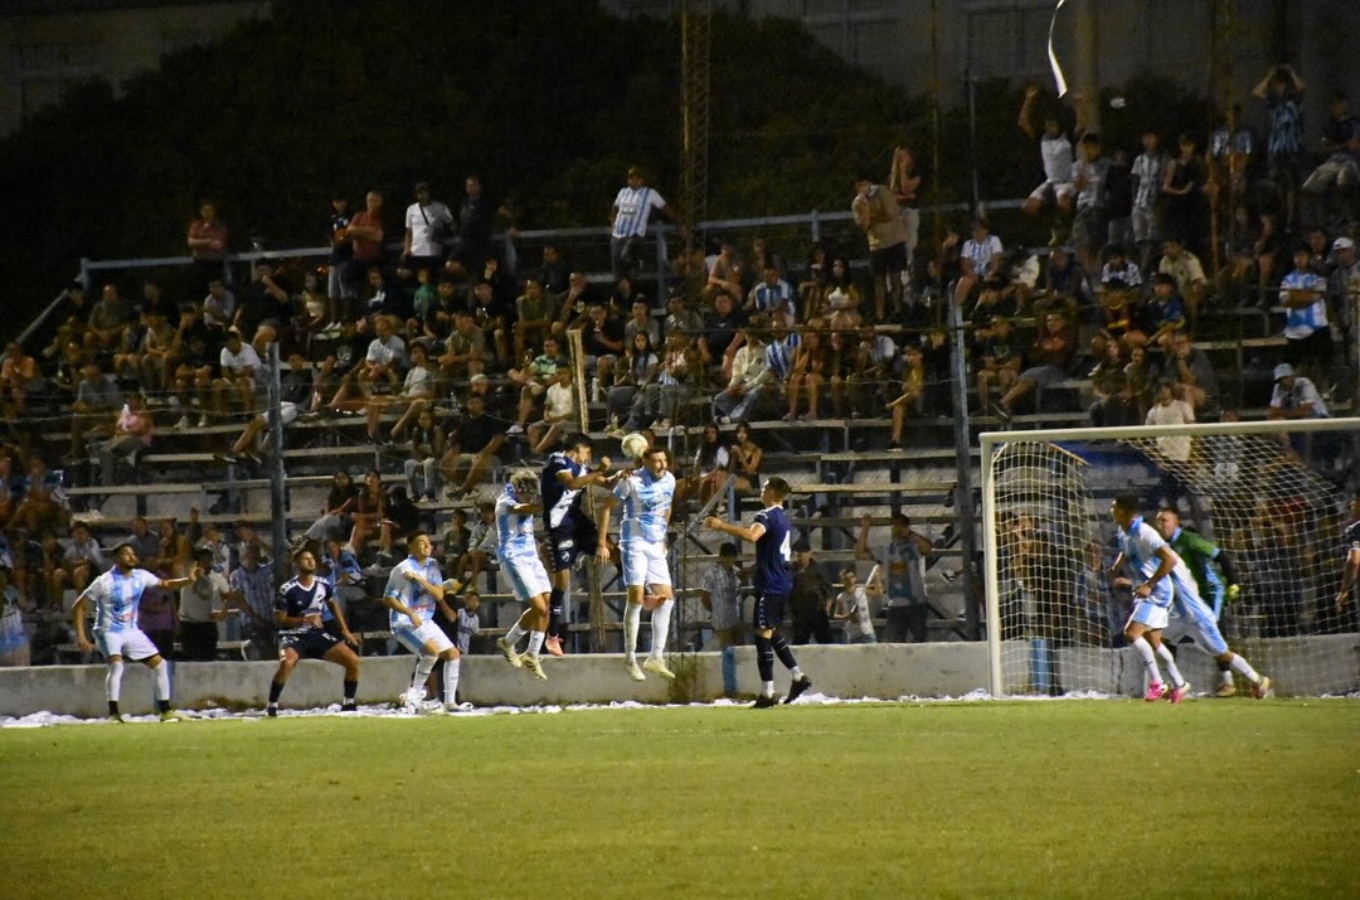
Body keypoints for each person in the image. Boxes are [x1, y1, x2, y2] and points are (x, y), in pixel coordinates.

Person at [705, 476, 812, 707]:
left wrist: (722, 525)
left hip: (770, 585)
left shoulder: (765, 515)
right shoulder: (783, 518)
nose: (761, 491)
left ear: (772, 492)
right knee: (771, 633)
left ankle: (767, 693)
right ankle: (798, 677)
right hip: (781, 581)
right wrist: (753, 570)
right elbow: (773, 553)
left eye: (764, 488)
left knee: (762, 637)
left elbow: (753, 535)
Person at [71, 542, 201, 721]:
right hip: (108, 631)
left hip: (131, 630)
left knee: (160, 664)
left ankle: (165, 710)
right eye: (126, 554)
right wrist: (81, 636)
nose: (132, 557)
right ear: (116, 558)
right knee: (117, 665)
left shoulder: (141, 576)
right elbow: (79, 606)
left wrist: (188, 580)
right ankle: (113, 714)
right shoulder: (104, 581)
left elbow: (165, 583)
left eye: (133, 553)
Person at [1154, 509, 1271, 699]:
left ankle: (1246, 680)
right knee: (1163, 638)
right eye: (1158, 522)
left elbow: (1220, 555)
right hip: (1189, 600)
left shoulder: (1189, 540)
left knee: (1217, 644)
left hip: (1210, 593)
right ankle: (1171, 684)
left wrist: (1233, 581)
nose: (1160, 525)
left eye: (1164, 520)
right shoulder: (1166, 546)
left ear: (1176, 522)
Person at [539, 434, 616, 657]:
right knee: (563, 580)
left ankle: (643, 596)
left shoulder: (584, 468)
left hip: (577, 522)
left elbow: (606, 482)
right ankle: (553, 636)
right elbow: (571, 482)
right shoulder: (557, 462)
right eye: (587, 453)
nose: (588, 457)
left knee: (612, 550)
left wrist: (621, 474)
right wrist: (598, 471)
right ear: (578, 448)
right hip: (558, 526)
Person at [267, 547, 362, 717]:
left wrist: (345, 630)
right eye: (305, 559)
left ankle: (349, 703)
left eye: (312, 558)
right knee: (287, 663)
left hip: (316, 634)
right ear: (297, 564)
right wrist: (304, 620)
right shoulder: (288, 589)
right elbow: (279, 620)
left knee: (353, 660)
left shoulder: (322, 584)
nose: (311, 561)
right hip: (293, 635)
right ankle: (272, 704)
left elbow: (333, 604)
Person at [1108, 494, 1184, 702]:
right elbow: (1125, 551)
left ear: (1124, 511)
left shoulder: (1145, 532)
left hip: (1157, 591)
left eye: (1114, 508)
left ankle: (1158, 683)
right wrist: (1115, 568)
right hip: (1144, 589)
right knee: (1154, 642)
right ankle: (1180, 684)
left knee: (1131, 634)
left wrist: (1149, 585)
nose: (1111, 511)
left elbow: (1170, 559)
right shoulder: (1124, 531)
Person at [613, 444, 678, 682]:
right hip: (634, 541)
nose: (662, 465)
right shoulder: (631, 480)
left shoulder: (670, 480)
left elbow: (667, 507)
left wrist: (662, 535)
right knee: (637, 599)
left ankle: (655, 657)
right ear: (645, 462)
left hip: (654, 542)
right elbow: (608, 507)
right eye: (657, 461)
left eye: (664, 460)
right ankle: (630, 658)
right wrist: (602, 541)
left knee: (667, 599)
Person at [382, 529, 465, 711]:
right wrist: (409, 612)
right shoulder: (402, 569)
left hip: (425, 620)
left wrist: (420, 579)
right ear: (410, 547)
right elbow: (388, 598)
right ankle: (414, 695)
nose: (428, 545)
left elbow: (438, 594)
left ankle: (449, 702)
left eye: (429, 542)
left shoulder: (432, 566)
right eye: (422, 542)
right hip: (404, 622)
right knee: (432, 652)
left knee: (453, 654)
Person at [491, 471, 552, 681]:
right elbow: (522, 509)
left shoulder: (525, 498)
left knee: (546, 605)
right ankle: (508, 643)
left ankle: (532, 654)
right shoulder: (504, 502)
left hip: (531, 556)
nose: (530, 498)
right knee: (539, 607)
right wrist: (550, 504)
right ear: (518, 490)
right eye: (527, 494)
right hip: (513, 557)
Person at [858, 513, 933, 643]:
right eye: (894, 525)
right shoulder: (886, 550)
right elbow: (860, 553)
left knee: (920, 642)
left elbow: (928, 548)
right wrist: (865, 528)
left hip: (916, 602)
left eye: (899, 524)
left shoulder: (913, 547)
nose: (896, 528)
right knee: (894, 644)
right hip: (895, 604)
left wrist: (910, 534)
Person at [852, 173, 908, 320]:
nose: (861, 188)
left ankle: (898, 310)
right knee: (879, 280)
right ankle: (880, 314)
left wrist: (871, 216)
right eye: (858, 185)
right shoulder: (857, 203)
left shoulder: (881, 191)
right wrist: (865, 210)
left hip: (894, 239)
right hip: (876, 245)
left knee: (896, 277)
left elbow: (890, 214)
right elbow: (863, 226)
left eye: (863, 184)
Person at [609, 165, 675, 284]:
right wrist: (613, 222)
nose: (632, 181)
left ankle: (638, 262)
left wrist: (678, 222)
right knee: (618, 269)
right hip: (618, 234)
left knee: (626, 254)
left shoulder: (650, 193)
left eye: (635, 178)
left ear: (641, 180)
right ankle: (624, 293)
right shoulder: (623, 192)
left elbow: (665, 208)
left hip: (634, 234)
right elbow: (615, 207)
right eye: (630, 178)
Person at [177, 547, 238, 661]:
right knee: (191, 659)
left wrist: (222, 613)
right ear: (197, 562)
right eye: (204, 561)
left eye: (210, 561)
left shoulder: (216, 578)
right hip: (188, 624)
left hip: (206, 625)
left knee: (208, 658)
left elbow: (229, 596)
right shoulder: (187, 574)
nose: (208, 564)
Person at [788, 538, 835, 644]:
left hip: (817, 610)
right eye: (798, 552)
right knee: (799, 643)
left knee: (825, 642)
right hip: (800, 613)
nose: (801, 556)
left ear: (809, 553)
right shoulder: (792, 570)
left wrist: (827, 608)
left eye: (804, 552)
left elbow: (829, 590)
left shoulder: (819, 569)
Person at [834, 564, 881, 644]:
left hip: (867, 632)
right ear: (842, 581)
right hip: (853, 635)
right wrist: (846, 616)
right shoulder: (841, 597)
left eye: (851, 577)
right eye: (846, 578)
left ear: (855, 578)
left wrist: (877, 579)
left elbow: (878, 593)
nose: (849, 580)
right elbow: (835, 615)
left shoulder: (861, 591)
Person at [1334, 490, 1360, 619]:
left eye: (1354, 501)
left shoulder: (1356, 529)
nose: (1351, 504)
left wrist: (1344, 590)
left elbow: (1354, 561)